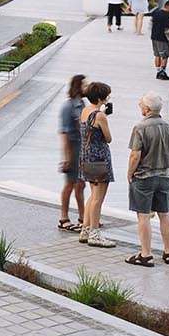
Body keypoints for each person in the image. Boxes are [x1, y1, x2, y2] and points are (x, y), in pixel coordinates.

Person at [125, 91, 169, 267]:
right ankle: (168, 252)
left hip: (144, 176)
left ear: (147, 109)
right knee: (164, 213)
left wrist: (130, 173)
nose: (140, 107)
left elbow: (135, 155)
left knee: (143, 216)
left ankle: (146, 254)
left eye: (141, 104)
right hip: (164, 176)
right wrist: (168, 167)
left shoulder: (140, 128)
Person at [78, 81, 116, 247]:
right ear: (101, 98)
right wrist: (105, 117)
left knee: (93, 195)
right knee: (98, 198)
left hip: (86, 157)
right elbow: (108, 138)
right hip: (100, 159)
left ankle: (85, 229)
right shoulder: (99, 116)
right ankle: (94, 233)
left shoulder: (85, 111)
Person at [58, 74, 87, 232]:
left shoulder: (83, 104)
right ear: (78, 87)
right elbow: (65, 134)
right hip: (73, 147)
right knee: (70, 183)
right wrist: (67, 157)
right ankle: (64, 217)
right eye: (85, 85)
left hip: (82, 148)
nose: (87, 88)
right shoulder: (68, 107)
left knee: (80, 184)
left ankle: (83, 217)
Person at [148, 1, 169, 81]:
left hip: (154, 36)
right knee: (164, 55)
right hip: (162, 38)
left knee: (157, 55)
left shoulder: (156, 13)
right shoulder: (167, 16)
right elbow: (167, 29)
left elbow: (151, 23)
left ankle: (158, 71)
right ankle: (162, 72)